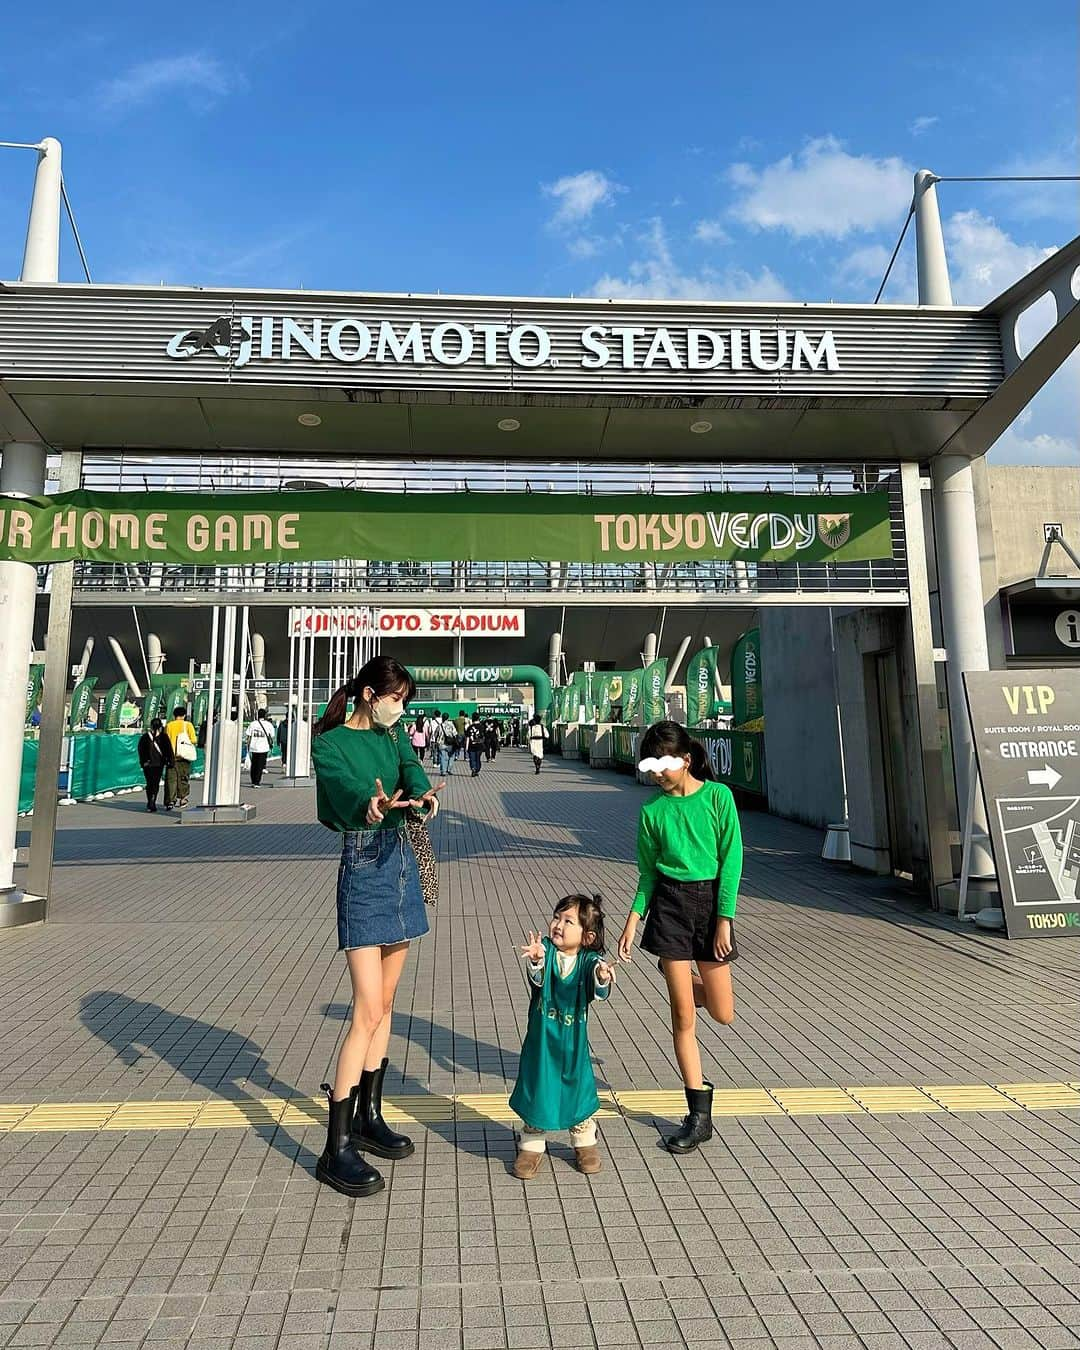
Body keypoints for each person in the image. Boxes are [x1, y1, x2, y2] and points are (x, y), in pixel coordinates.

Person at [311, 655, 443, 1198]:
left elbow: (411, 766)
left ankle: (368, 1113)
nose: (401, 709)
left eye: (406, 701)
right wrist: (369, 805)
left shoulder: (393, 738)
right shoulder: (330, 742)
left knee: (386, 1003)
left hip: (401, 859)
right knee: (366, 1009)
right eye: (396, 699)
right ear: (370, 694)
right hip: (363, 864)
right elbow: (341, 790)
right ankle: (334, 1146)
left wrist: (425, 794)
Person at [617, 720, 743, 1156]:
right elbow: (647, 874)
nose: (656, 774)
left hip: (710, 907)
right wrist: (633, 920)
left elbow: (732, 861)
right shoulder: (652, 812)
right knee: (683, 1018)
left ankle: (684, 989)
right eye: (650, 765)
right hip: (669, 907)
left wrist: (724, 918)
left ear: (685, 759)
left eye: (663, 764)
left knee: (723, 1012)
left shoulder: (718, 797)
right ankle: (698, 1115)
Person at [509, 894, 615, 1178]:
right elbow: (538, 979)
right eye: (557, 917)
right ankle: (531, 1141)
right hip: (542, 1041)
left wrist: (603, 977)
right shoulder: (546, 950)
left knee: (576, 1085)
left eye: (568, 921)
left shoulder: (588, 960)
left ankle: (584, 1139)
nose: (558, 924)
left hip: (573, 1043)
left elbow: (598, 985)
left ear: (587, 936)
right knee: (538, 1084)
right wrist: (535, 961)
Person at [164, 705, 198, 809]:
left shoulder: (169, 725)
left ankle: (171, 801)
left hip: (171, 756)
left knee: (171, 779)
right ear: (183, 715)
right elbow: (193, 740)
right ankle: (183, 799)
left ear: (174, 715)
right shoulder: (188, 725)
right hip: (184, 757)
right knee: (183, 778)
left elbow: (165, 740)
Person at [137, 717, 173, 813]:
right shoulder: (164, 737)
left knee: (149, 783)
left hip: (147, 764)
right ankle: (152, 800)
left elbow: (141, 750)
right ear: (161, 726)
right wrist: (170, 761)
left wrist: (143, 761)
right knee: (155, 783)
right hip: (159, 764)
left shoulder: (145, 737)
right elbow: (168, 750)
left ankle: (150, 801)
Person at [246, 708, 276, 787]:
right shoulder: (268, 725)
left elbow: (248, 736)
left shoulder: (252, 724)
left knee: (254, 765)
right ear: (265, 715)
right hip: (264, 748)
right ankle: (257, 782)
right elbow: (272, 736)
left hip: (253, 747)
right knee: (260, 766)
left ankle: (253, 780)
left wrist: (248, 746)